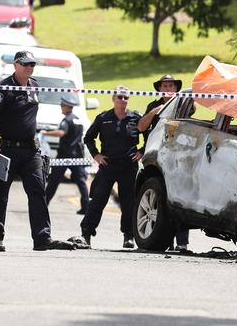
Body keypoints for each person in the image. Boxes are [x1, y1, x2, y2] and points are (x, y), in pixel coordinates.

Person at [0, 50, 73, 252]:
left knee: (37, 191)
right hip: (5, 148)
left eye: (32, 64)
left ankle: (42, 238)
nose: (29, 68)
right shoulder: (3, 88)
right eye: (25, 64)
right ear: (15, 65)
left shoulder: (34, 85)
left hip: (30, 151)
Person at [79, 85, 141, 248]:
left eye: (125, 97)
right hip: (108, 165)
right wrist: (96, 155)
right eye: (119, 97)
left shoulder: (136, 117)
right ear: (113, 98)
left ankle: (129, 236)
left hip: (128, 166)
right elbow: (88, 137)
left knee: (128, 202)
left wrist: (142, 151)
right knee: (98, 200)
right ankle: (86, 233)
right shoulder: (103, 117)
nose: (122, 100)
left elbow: (150, 135)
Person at [138, 75, 189, 251]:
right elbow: (140, 127)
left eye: (171, 85)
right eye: (164, 85)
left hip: (178, 157)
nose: (167, 88)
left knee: (179, 197)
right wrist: (155, 112)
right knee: (160, 198)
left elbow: (193, 111)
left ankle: (182, 243)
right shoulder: (153, 105)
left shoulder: (183, 105)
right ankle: (163, 240)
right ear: (159, 88)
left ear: (176, 88)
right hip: (156, 159)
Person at [42, 95, 89, 214]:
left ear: (68, 106)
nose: (61, 107)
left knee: (53, 181)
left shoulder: (66, 120)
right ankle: (86, 206)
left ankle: (44, 204)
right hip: (77, 155)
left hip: (64, 156)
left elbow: (61, 132)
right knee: (81, 181)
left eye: (62, 105)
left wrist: (46, 133)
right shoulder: (77, 119)